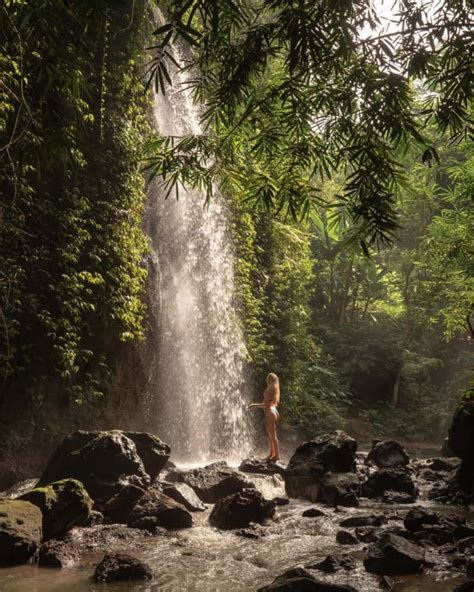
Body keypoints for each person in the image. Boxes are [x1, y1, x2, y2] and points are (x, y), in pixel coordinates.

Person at [247, 372, 280, 461]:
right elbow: (271, 404)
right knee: (272, 434)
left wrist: (255, 405)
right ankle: (272, 454)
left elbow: (266, 405)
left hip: (269, 412)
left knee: (272, 435)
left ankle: (276, 456)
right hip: (274, 411)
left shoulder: (268, 390)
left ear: (269, 380)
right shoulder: (275, 390)